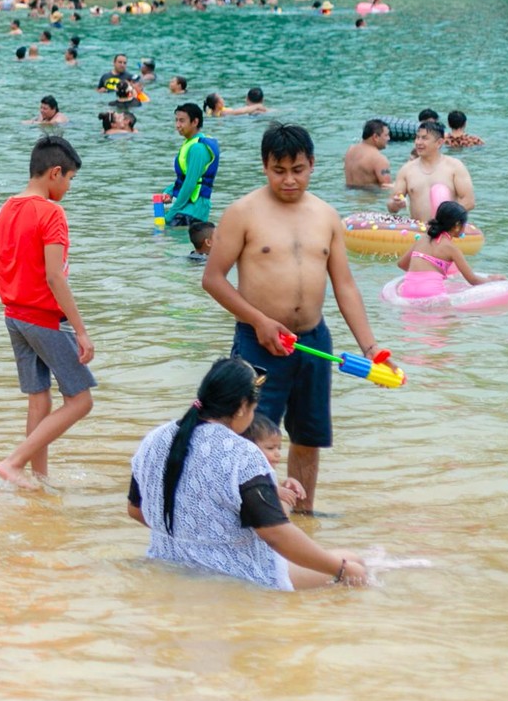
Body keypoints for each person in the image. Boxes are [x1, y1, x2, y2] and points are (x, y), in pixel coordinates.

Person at [203, 123, 384, 512]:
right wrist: (259, 321)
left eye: (298, 170)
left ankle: (303, 517)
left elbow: (345, 286)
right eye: (279, 170)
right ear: (264, 166)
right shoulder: (242, 213)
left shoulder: (327, 216)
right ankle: (256, 522)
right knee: (252, 436)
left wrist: (370, 348)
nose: (289, 180)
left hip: (314, 342)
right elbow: (213, 279)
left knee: (308, 436)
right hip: (259, 343)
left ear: (312, 164)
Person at [127, 358, 367, 590]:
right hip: (234, 575)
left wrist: (187, 535)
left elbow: (135, 510)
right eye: (253, 409)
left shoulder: (155, 438)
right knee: (354, 562)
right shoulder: (242, 454)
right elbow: (275, 533)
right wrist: (341, 569)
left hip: (168, 562)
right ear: (242, 407)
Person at [0, 135, 95, 489]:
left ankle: (38, 481)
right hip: (44, 319)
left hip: (14, 317)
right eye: (70, 179)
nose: (69, 187)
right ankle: (14, 463)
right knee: (81, 401)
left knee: (39, 400)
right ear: (55, 172)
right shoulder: (52, 213)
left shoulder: (5, 209)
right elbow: (55, 277)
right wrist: (81, 331)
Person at [392, 202, 506, 303]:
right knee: (452, 320)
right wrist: (492, 279)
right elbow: (473, 280)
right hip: (432, 294)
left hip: (407, 293)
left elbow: (401, 264)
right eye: (464, 224)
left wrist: (421, 275)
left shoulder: (422, 239)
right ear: (457, 226)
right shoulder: (452, 249)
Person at [163, 102, 222, 256]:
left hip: (194, 210)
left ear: (195, 122)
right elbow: (184, 179)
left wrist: (171, 214)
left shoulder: (198, 148)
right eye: (176, 120)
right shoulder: (190, 144)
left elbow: (190, 183)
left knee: (177, 252)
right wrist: (169, 191)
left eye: (182, 121)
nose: (177, 125)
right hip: (188, 207)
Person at [387, 119, 474, 219]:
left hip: (445, 226)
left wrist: (444, 219)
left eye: (424, 138)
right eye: (417, 137)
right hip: (419, 227)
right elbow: (391, 206)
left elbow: (469, 202)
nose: (418, 142)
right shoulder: (407, 169)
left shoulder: (455, 167)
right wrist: (395, 204)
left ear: (439, 143)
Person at [344, 119, 393, 189]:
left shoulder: (350, 150)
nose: (389, 138)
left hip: (348, 194)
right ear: (375, 137)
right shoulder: (379, 159)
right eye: (386, 135)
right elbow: (387, 187)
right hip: (369, 195)